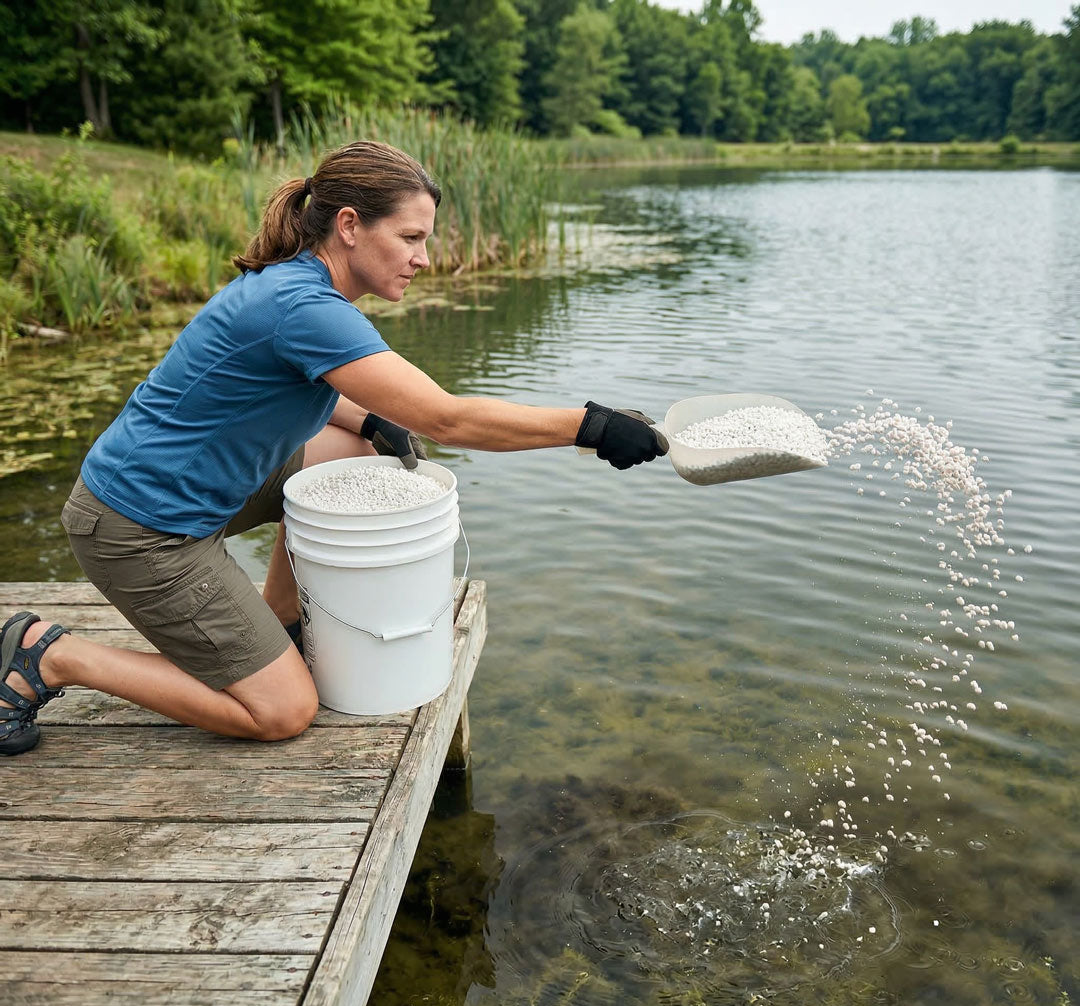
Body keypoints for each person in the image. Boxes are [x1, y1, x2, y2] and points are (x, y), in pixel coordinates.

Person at [0, 140, 667, 757]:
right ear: (350, 226)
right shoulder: (305, 306)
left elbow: (305, 384)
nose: (423, 258)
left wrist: (372, 421)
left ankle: (281, 619)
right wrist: (590, 426)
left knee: (357, 449)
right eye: (410, 237)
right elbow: (450, 420)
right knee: (284, 711)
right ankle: (50, 656)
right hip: (140, 530)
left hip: (185, 489)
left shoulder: (298, 286)